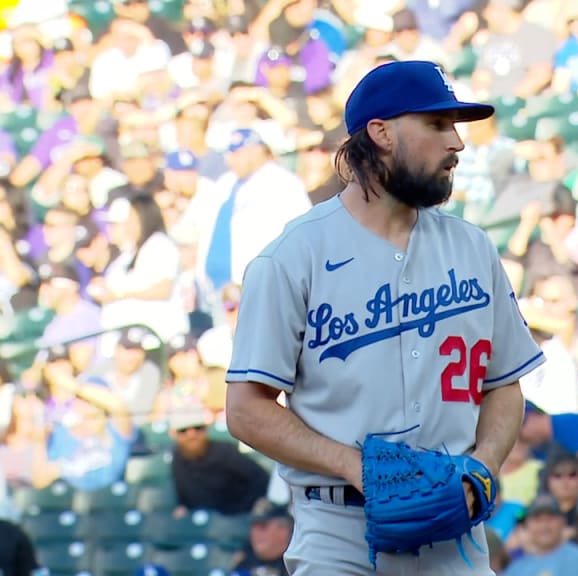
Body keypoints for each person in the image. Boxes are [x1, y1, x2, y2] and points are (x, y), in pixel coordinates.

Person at [224, 60, 545, 575]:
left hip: (455, 536)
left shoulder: (473, 248)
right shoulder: (293, 256)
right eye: (438, 124)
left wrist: (483, 468)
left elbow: (504, 385)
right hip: (339, 533)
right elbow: (245, 410)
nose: (457, 143)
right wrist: (353, 467)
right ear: (381, 133)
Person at [504, 493, 578, 576]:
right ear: (527, 525)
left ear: (563, 521)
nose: (544, 526)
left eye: (550, 519)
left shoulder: (577, 560)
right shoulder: (517, 569)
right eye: (538, 520)